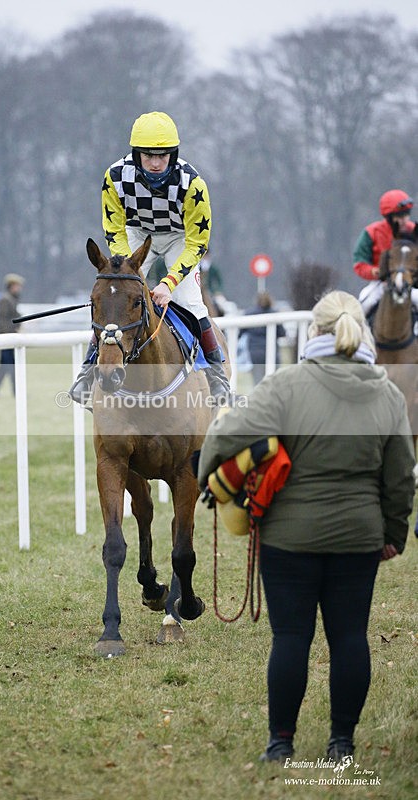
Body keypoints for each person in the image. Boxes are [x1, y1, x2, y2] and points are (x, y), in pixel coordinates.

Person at [197, 290, 414, 763]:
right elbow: (401, 477)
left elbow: (225, 432)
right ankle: (342, 743)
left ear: (313, 332)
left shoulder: (285, 385)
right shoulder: (388, 394)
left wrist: (207, 478)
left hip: (287, 540)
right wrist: (394, 534)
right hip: (359, 538)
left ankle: (280, 744)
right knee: (350, 637)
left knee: (290, 639)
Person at [69, 111, 230, 404]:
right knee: (115, 298)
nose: (156, 163)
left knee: (192, 301)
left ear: (173, 154)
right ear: (136, 154)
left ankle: (216, 375)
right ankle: (88, 371)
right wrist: (125, 268)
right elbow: (114, 228)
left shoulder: (192, 184)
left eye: (163, 156)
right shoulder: (115, 177)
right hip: (135, 231)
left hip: (179, 236)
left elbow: (197, 242)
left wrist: (168, 283)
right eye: (148, 156)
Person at [353, 189, 418, 319]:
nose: (405, 220)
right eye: (400, 216)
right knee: (363, 304)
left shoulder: (414, 231)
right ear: (389, 217)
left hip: (410, 284)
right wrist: (374, 271)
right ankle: (360, 336)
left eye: (407, 215)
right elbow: (359, 263)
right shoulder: (372, 232)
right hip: (381, 284)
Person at [238, 292, 286, 386]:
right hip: (272, 351)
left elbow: (240, 332)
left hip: (255, 352)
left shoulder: (249, 313)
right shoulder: (275, 314)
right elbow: (282, 333)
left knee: (258, 382)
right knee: (274, 380)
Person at [0, 273, 25, 397]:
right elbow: (3, 321)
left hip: (8, 337)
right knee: (10, 366)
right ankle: (17, 391)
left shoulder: (11, 299)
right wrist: (13, 331)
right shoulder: (6, 299)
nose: (19, 288)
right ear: (11, 286)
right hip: (5, 338)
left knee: (4, 366)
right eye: (17, 286)